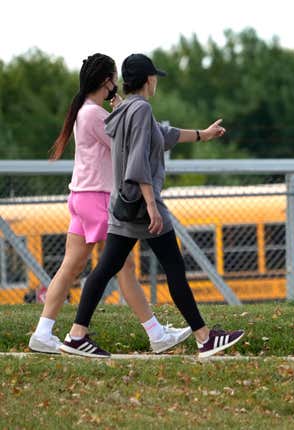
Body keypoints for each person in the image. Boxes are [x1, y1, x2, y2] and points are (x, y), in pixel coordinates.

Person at [59, 53, 244, 358]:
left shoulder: (123, 110)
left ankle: (77, 335)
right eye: (155, 76)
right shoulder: (141, 109)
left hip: (122, 205)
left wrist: (202, 135)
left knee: (106, 269)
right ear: (148, 80)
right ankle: (204, 338)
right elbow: (138, 162)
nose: (156, 80)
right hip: (143, 207)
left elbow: (163, 135)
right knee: (173, 268)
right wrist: (152, 205)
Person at [29, 53, 191, 355]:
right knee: (125, 267)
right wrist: (122, 113)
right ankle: (155, 333)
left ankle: (44, 331)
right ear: (107, 82)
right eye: (113, 79)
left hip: (80, 197)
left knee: (71, 266)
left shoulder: (86, 111)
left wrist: (118, 110)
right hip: (97, 197)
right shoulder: (94, 115)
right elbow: (127, 143)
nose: (117, 84)